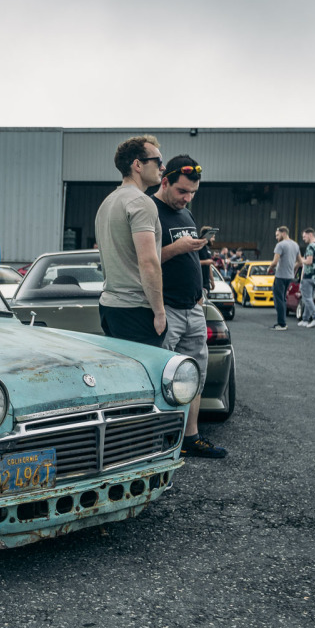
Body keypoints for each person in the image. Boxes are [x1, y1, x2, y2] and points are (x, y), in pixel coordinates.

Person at [154, 157, 226, 459]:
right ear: (165, 181)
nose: (187, 198)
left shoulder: (186, 213)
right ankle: (156, 442)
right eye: (182, 191)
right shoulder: (150, 211)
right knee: (161, 376)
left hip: (192, 307)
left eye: (193, 193)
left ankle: (191, 437)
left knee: (194, 373)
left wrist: (199, 294)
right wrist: (178, 248)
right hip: (166, 307)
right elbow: (142, 259)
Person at [95, 136, 166, 347]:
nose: (163, 167)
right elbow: (148, 262)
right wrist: (160, 312)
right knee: (146, 377)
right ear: (137, 164)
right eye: (158, 161)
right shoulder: (141, 203)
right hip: (136, 309)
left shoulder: (107, 202)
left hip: (110, 306)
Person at [266, 226, 300, 330]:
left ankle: (281, 324)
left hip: (280, 276)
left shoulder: (280, 245)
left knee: (279, 300)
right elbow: (300, 261)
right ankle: (283, 322)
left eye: (277, 235)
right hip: (289, 276)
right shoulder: (295, 244)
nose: (276, 237)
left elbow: (275, 262)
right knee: (283, 299)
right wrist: (292, 268)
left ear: (284, 233)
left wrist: (269, 269)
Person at [297, 227, 315, 328]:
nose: (304, 239)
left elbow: (308, 261)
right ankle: (305, 319)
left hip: (308, 276)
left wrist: (301, 260)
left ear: (310, 235)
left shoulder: (310, 247)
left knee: (307, 298)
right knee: (310, 298)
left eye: (304, 237)